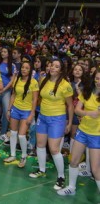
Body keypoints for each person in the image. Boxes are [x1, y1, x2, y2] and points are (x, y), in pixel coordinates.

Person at [29, 59, 74, 191]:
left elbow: (70, 106)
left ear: (60, 70)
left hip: (57, 119)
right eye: (51, 65)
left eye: (56, 66)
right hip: (42, 117)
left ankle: (61, 177)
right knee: (40, 145)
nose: (53, 68)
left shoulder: (65, 85)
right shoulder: (43, 79)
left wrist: (70, 122)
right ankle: (42, 170)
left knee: (54, 149)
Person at [57, 68, 100, 196]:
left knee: (95, 169)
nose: (99, 81)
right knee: (74, 160)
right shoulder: (87, 92)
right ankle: (71, 187)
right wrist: (89, 113)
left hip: (97, 136)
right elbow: (77, 110)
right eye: (97, 78)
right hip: (83, 131)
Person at [4, 61, 39, 167]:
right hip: (15, 109)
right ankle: (13, 155)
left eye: (27, 68)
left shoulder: (34, 82)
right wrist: (9, 109)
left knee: (22, 135)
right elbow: (13, 95)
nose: (24, 69)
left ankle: (24, 156)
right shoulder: (17, 80)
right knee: (13, 133)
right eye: (23, 67)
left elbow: (35, 100)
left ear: (30, 70)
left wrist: (32, 114)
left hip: (26, 111)